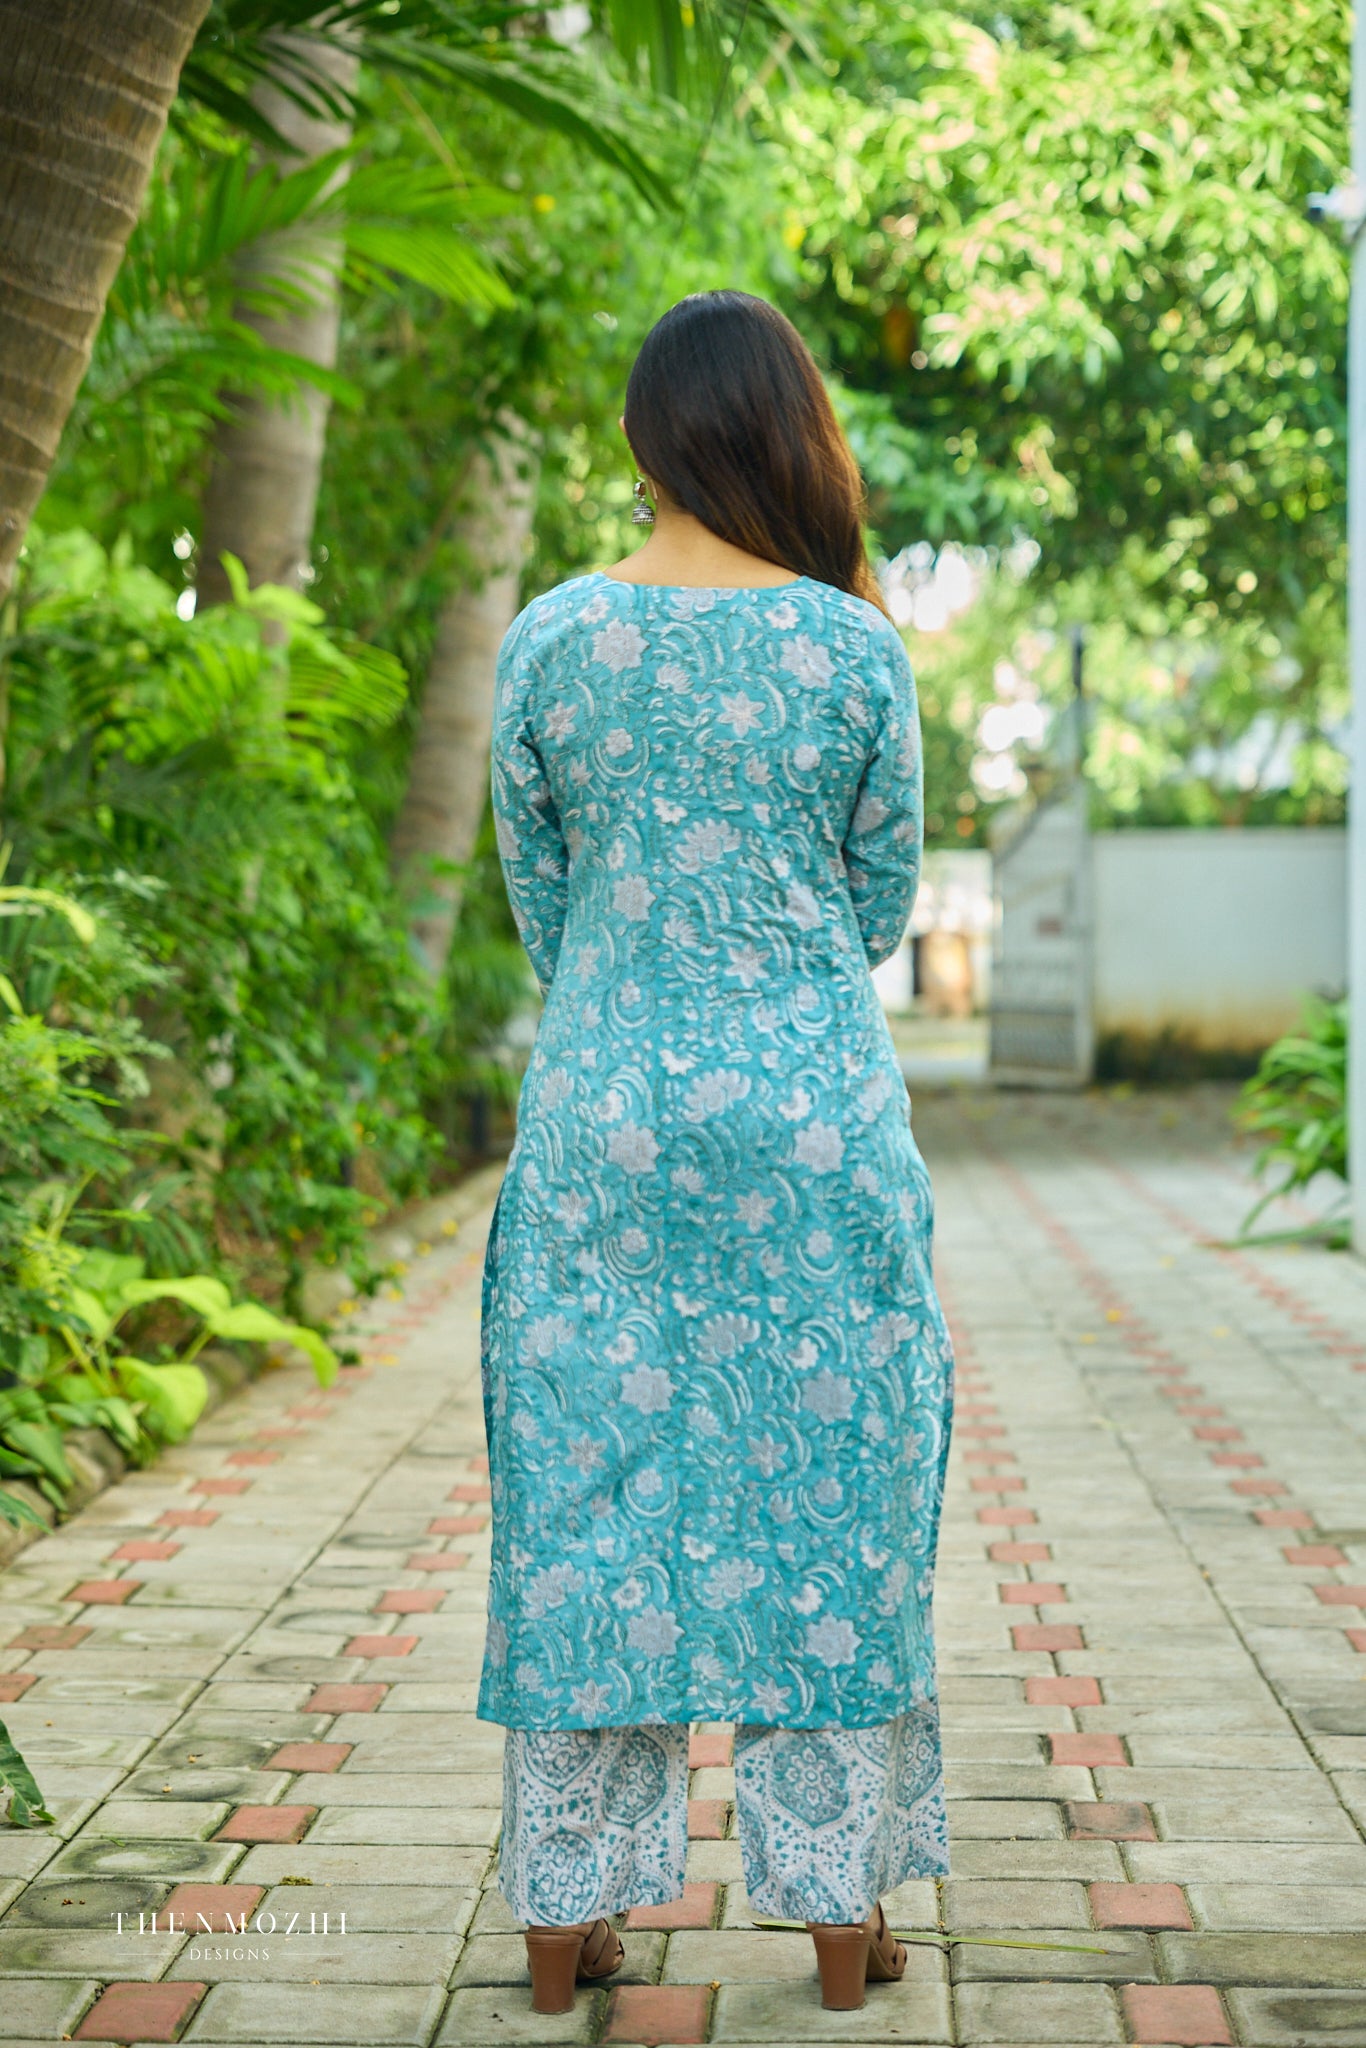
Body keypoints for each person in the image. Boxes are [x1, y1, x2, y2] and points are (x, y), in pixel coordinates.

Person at [479, 289, 954, 2017]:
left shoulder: (547, 640)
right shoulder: (848, 650)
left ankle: (559, 1930)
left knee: (586, 1508)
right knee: (831, 1500)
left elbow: (539, 892)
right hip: (812, 1121)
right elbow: (880, 901)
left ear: (643, 441)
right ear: (789, 435)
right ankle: (840, 1932)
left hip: (602, 1118)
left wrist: (630, 996)